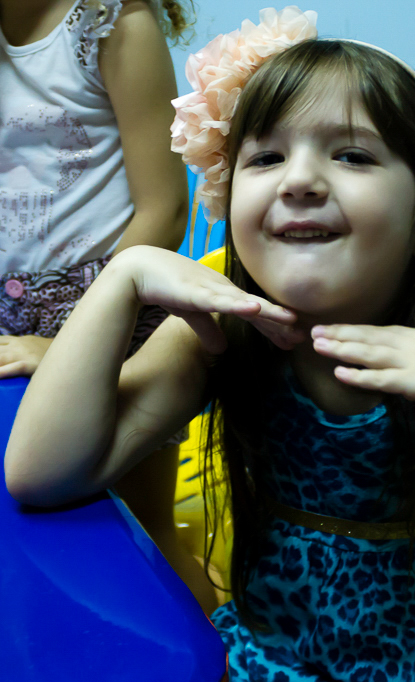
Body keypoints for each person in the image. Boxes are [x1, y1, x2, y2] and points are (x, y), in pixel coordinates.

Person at [5, 6, 415, 682]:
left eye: (353, 156)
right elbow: (39, 477)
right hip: (284, 664)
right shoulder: (226, 332)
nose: (299, 180)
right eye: (266, 157)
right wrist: (123, 281)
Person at [0, 0, 218, 612]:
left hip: (107, 306)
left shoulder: (113, 21)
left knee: (142, 533)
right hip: (10, 312)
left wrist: (73, 339)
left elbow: (165, 209)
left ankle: (214, 657)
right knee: (40, 526)